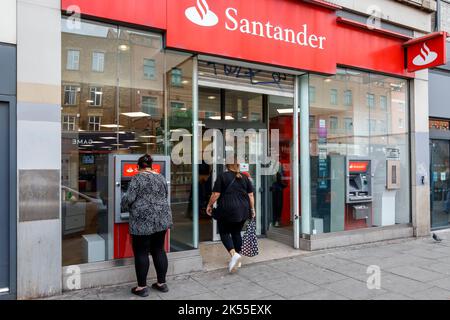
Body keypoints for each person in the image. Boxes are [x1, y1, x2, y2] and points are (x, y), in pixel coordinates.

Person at [121, 154, 173, 297]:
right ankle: (162, 284)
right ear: (151, 166)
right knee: (159, 249)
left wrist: (123, 206)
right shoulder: (161, 177)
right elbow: (165, 195)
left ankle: (142, 287)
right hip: (161, 217)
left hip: (142, 219)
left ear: (138, 167)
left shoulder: (137, 178)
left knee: (141, 252)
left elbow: (129, 199)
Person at [206, 160, 256, 273]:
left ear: (227, 166)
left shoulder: (222, 176)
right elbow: (251, 195)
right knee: (236, 233)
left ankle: (234, 254)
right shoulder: (245, 177)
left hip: (227, 208)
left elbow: (216, 194)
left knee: (224, 232)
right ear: (238, 165)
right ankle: (237, 259)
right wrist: (252, 209)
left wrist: (209, 205)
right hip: (243, 209)